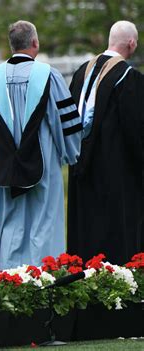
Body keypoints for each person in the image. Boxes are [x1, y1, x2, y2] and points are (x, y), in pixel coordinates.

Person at [0, 21, 82, 270]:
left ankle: (11, 275)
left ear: (11, 45)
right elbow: (62, 119)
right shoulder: (48, 74)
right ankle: (44, 275)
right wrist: (71, 152)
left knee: (12, 219)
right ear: (35, 43)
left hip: (6, 164)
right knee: (44, 220)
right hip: (42, 162)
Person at [67, 21, 143, 264]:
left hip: (81, 171)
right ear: (131, 43)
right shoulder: (128, 78)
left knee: (87, 234)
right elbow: (136, 132)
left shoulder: (80, 73)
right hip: (116, 174)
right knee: (116, 238)